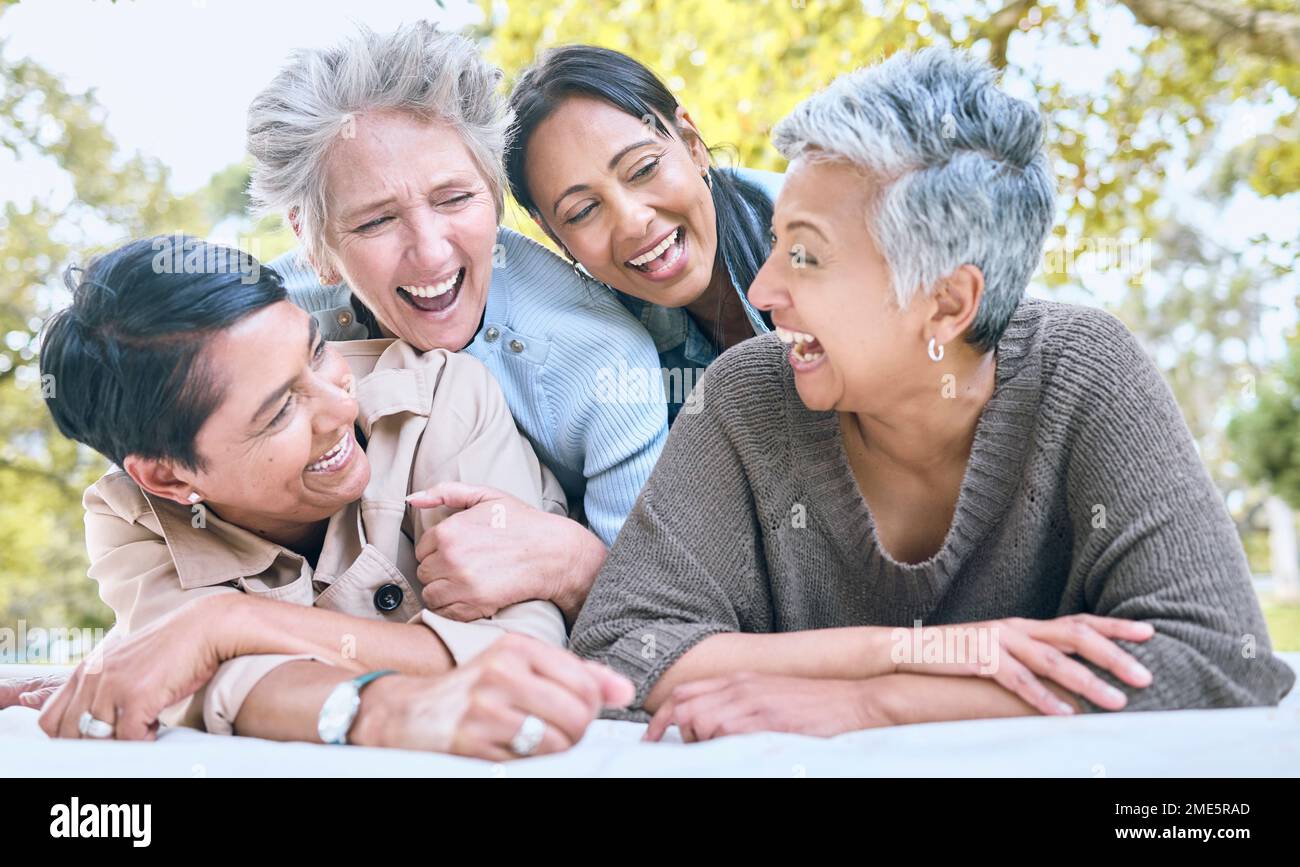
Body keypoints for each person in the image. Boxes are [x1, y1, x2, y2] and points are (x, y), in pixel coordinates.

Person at [569, 48, 1296, 741]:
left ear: (948, 304)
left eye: (806, 255)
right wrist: (912, 651)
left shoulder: (1084, 372)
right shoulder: (747, 396)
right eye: (776, 244)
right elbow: (620, 653)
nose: (761, 291)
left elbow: (1216, 656)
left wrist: (879, 703)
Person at [31, 237, 631, 759]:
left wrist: (228, 622)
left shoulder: (441, 396)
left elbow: (523, 655)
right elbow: (210, 684)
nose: (343, 406)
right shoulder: (133, 519)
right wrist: (390, 707)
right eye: (279, 412)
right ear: (168, 479)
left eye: (317, 351)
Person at [253, 24, 668, 628]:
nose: (430, 252)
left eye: (453, 199)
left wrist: (578, 565)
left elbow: (652, 613)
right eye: (375, 222)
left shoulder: (603, 360)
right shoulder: (263, 320)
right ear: (313, 243)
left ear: (495, 193)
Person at [506, 44, 782, 424]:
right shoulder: (604, 356)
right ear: (555, 236)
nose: (632, 222)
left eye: (643, 169)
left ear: (692, 145)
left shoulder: (835, 237)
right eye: (583, 211)